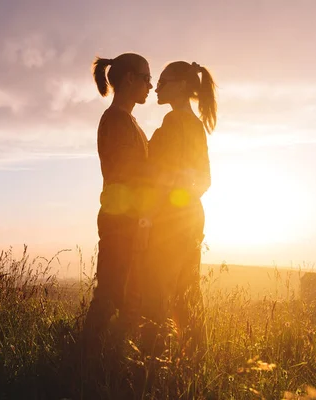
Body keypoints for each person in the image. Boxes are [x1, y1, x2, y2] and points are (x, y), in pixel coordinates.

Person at [139, 61, 217, 354]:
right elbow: (205, 179)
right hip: (192, 218)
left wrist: (148, 218)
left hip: (169, 220)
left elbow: (163, 177)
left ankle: (151, 363)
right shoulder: (195, 125)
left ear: (182, 86)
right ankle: (195, 360)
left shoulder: (175, 123)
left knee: (157, 292)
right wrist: (185, 200)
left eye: (163, 82)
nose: (157, 88)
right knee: (187, 293)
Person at [83, 53, 154, 347]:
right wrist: (144, 218)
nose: (150, 86)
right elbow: (130, 175)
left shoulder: (127, 120)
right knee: (113, 293)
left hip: (124, 216)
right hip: (122, 219)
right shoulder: (117, 120)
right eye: (146, 78)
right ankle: (87, 358)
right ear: (129, 78)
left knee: (123, 293)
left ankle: (105, 357)